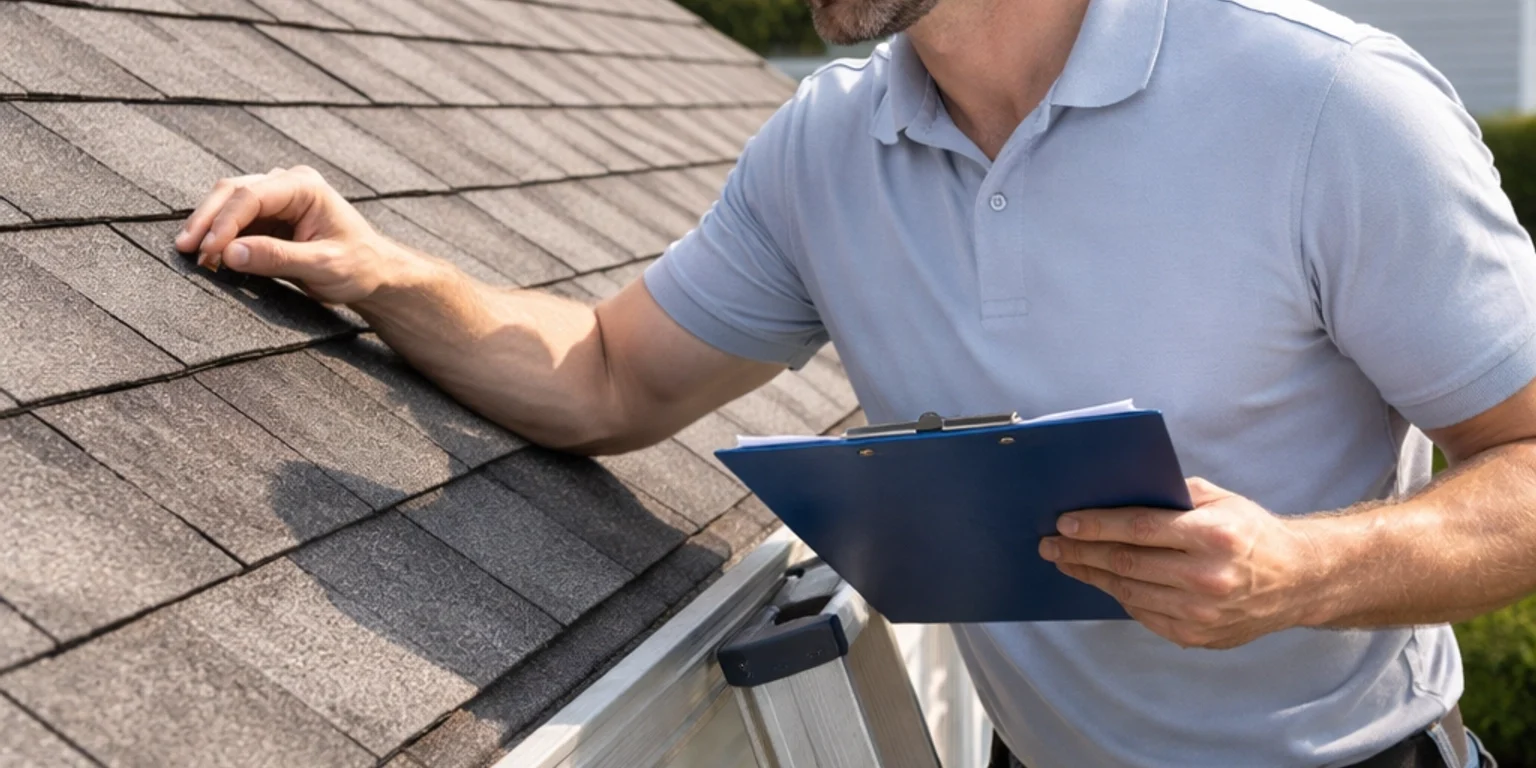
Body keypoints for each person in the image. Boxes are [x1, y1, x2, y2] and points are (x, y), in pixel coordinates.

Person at [176, 0, 1536, 763]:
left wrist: (1301, 571)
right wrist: (378, 272)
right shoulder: (826, 148)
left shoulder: (1326, 106)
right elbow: (604, 376)